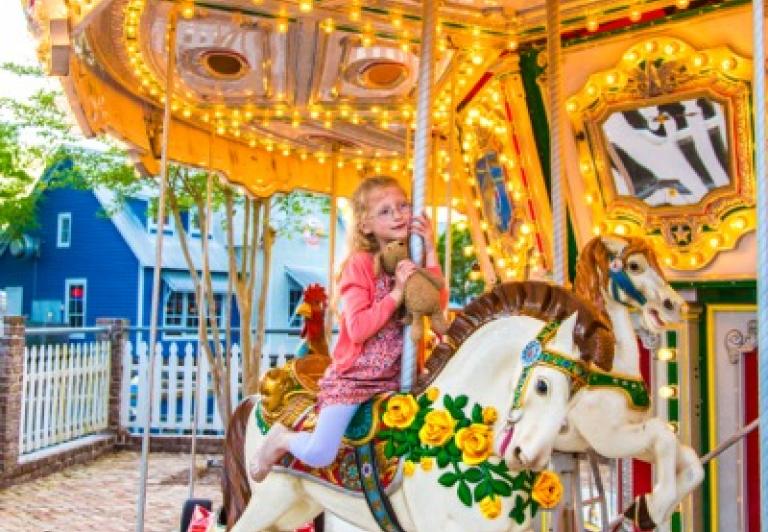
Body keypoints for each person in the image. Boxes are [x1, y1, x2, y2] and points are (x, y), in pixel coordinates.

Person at [249, 175, 447, 481]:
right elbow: (357, 329)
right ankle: (281, 440)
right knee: (321, 452)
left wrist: (431, 252)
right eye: (385, 210)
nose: (398, 215)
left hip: (400, 377)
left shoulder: (408, 259)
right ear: (365, 225)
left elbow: (436, 300)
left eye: (403, 205)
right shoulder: (360, 264)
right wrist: (396, 293)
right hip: (355, 379)